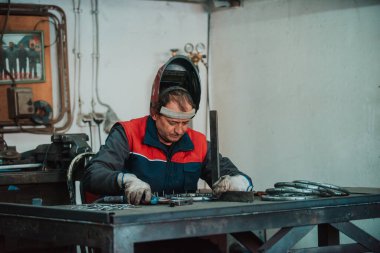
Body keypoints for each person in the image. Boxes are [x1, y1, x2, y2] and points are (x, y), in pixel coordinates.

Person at [82, 55, 253, 205]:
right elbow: (93, 175)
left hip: (182, 228)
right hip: (134, 228)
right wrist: (125, 180)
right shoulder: (128, 134)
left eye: (185, 123)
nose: (179, 130)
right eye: (172, 122)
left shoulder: (198, 143)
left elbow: (232, 174)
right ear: (155, 113)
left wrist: (239, 182)